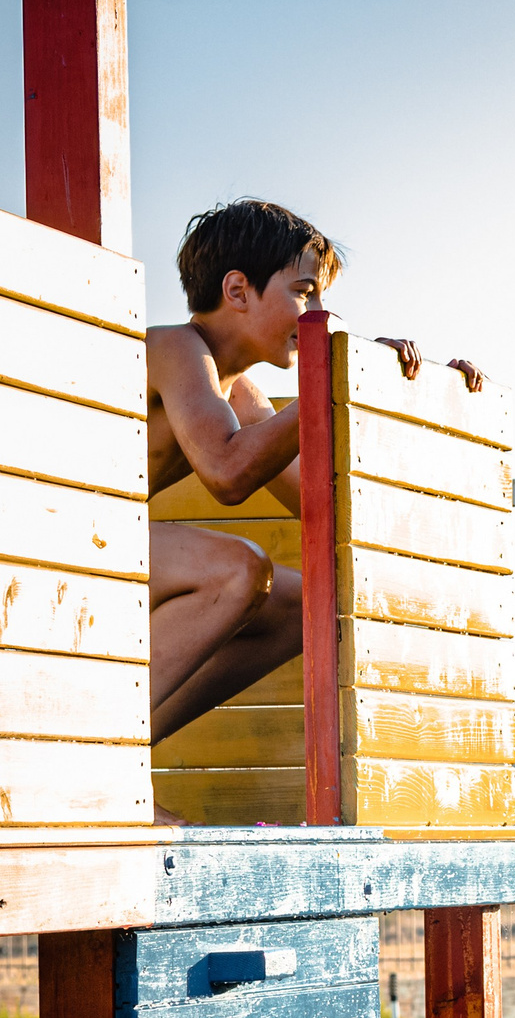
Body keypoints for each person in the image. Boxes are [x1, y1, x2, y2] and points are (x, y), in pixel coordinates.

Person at [146, 199, 478, 747]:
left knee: (297, 604)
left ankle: (121, 755)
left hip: (98, 543)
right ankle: (87, 761)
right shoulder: (174, 348)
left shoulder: (242, 395)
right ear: (237, 291)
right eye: (304, 292)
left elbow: (321, 504)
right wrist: (326, 387)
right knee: (238, 569)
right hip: (41, 532)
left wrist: (406, 401)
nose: (320, 314)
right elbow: (226, 473)